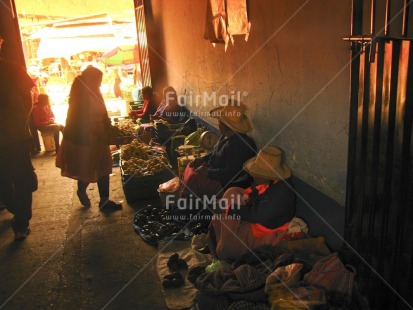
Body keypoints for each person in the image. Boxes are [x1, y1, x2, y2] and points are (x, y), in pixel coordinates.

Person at [208, 146, 298, 261]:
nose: (253, 175)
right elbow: (253, 194)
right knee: (232, 192)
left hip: (264, 229)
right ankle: (223, 239)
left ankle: (225, 246)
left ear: (266, 176)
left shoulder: (281, 191)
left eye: (256, 173)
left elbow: (257, 215)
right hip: (256, 215)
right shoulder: (268, 182)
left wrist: (228, 209)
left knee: (226, 250)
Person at [56, 66, 122, 209]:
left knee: (104, 167)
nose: (100, 83)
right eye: (98, 80)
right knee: (87, 168)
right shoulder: (79, 94)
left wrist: (108, 128)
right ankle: (81, 190)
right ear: (90, 79)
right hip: (86, 138)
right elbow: (79, 119)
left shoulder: (96, 92)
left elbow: (103, 113)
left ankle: (104, 201)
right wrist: (96, 131)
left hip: (100, 135)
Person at [180, 100, 257, 202]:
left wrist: (208, 172)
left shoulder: (240, 146)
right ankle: (190, 200)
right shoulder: (226, 136)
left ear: (225, 126)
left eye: (220, 122)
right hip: (217, 171)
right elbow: (215, 152)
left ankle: (190, 205)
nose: (218, 124)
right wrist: (202, 159)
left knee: (194, 178)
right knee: (191, 167)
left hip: (229, 183)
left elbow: (230, 173)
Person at [0, 36, 38, 240]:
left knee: (4, 179)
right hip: (15, 136)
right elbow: (29, 96)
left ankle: (17, 213)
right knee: (22, 178)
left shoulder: (14, 69)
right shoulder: (13, 69)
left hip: (14, 136)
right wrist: (22, 118)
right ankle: (21, 223)